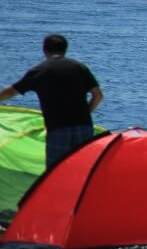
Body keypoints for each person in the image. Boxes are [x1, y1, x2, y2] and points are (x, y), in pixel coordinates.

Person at [0, 34, 103, 169]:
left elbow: (11, 92)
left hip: (58, 129)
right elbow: (98, 96)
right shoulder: (79, 67)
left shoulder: (39, 71)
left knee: (56, 172)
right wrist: (86, 113)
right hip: (84, 127)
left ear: (45, 50)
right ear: (65, 49)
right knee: (83, 170)